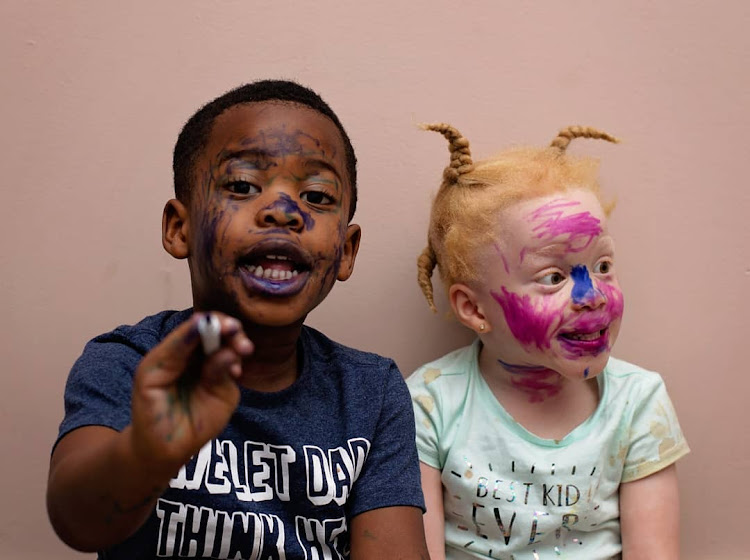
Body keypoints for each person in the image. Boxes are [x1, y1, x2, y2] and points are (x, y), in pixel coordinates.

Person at [47, 80, 429, 560]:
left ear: (346, 252)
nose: (283, 211)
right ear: (178, 228)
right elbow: (77, 521)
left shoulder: (370, 392)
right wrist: (146, 452)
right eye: (243, 186)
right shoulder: (127, 362)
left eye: (316, 196)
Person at [407, 123, 689, 559]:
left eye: (603, 265)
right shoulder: (429, 405)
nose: (591, 294)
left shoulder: (638, 403)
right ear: (476, 309)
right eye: (553, 277)